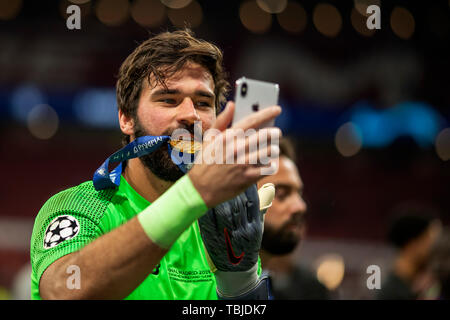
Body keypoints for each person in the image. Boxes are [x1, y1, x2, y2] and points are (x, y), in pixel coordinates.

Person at [30, 29, 282, 300]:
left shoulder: (227, 222)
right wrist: (192, 196)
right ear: (126, 118)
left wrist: (239, 284)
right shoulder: (80, 207)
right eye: (168, 100)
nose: (190, 115)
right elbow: (62, 293)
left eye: (203, 102)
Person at [258, 138, 330, 299]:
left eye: (299, 194)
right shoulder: (199, 289)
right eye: (282, 194)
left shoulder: (271, 289)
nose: (301, 206)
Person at [376, 209, 442, 300]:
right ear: (413, 244)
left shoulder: (420, 286)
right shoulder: (390, 293)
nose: (434, 249)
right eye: (430, 241)